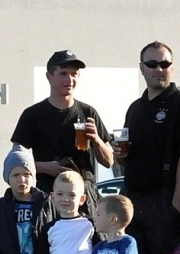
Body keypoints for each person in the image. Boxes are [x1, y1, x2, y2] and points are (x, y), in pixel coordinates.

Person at [113, 42, 180, 254]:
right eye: (152, 64)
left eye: (164, 64)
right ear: (141, 68)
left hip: (164, 201)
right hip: (133, 200)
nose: (159, 69)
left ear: (172, 67)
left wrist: (176, 207)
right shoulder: (135, 108)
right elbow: (125, 159)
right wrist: (119, 155)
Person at [10, 50, 114, 195]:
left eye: (74, 74)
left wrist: (96, 140)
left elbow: (109, 161)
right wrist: (43, 167)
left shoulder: (88, 112)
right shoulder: (33, 114)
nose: (70, 79)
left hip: (83, 194)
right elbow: (15, 161)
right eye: (63, 73)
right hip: (49, 195)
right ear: (49, 76)